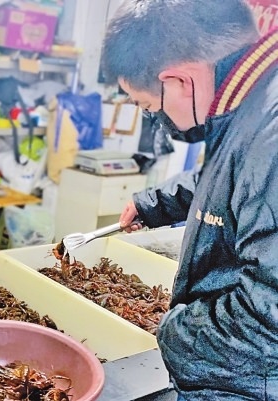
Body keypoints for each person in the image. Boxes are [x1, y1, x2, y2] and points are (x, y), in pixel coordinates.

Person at [101, 1, 278, 400]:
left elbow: (268, 317)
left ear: (179, 80)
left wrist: (175, 332)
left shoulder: (271, 132)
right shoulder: (249, 105)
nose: (156, 120)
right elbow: (227, 177)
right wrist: (156, 203)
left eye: (149, 106)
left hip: (245, 384)